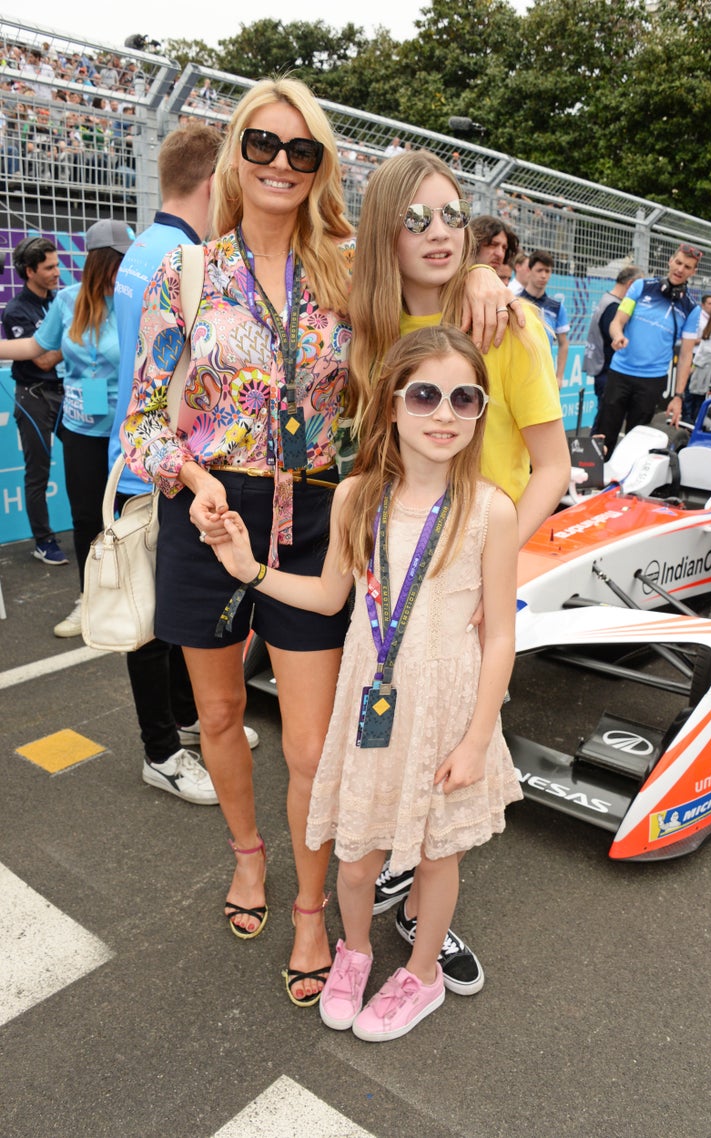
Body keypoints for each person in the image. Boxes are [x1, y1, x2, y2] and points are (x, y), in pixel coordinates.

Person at [120, 79, 517, 1008]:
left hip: (317, 517)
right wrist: (192, 476)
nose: (280, 165)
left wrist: (490, 272)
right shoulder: (186, 273)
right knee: (217, 718)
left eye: (302, 152)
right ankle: (247, 858)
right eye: (263, 144)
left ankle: (309, 910)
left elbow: (436, 274)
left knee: (306, 748)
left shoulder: (344, 265)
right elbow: (142, 422)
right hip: (208, 513)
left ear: (322, 166)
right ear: (235, 156)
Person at [215, 325, 521, 1041]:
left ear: (479, 412)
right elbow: (329, 599)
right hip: (370, 703)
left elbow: (502, 634)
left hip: (449, 709)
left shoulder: (491, 510)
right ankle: (353, 951)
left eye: (463, 398)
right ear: (390, 405)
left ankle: (419, 975)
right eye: (424, 395)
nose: (444, 414)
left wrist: (479, 738)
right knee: (355, 860)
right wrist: (249, 572)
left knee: (438, 856)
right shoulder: (356, 497)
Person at [346, 151, 568, 994]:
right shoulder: (375, 334)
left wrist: (488, 567)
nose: (437, 234)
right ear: (384, 236)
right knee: (389, 740)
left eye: (452, 218)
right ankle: (396, 887)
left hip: (473, 586)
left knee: (456, 754)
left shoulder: (510, 324)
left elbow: (551, 468)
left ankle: (422, 926)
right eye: (414, 220)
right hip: (391, 591)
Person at [110, 124, 254, 807]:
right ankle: (161, 749)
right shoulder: (185, 259)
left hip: (150, 460)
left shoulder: (145, 247)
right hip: (163, 467)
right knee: (152, 621)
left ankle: (188, 722)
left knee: (171, 624)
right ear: (213, 182)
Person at [0, 219, 134, 636]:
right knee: (85, 519)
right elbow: (35, 348)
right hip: (79, 430)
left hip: (129, 431)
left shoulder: (139, 299)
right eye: (121, 260)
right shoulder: (69, 301)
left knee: (133, 519)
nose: (128, 267)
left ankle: (133, 598)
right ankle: (89, 600)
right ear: (102, 262)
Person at [599, 244, 702, 451]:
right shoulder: (640, 287)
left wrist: (679, 397)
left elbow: (686, 355)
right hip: (620, 373)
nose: (681, 269)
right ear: (670, 261)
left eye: (687, 267)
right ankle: (594, 481)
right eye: (679, 262)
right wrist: (618, 335)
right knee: (604, 435)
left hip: (651, 382)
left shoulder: (692, 308)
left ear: (693, 272)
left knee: (636, 441)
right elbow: (617, 321)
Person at [1, 236, 66, 564]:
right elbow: (41, 360)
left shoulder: (59, 300)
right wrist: (74, 339)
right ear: (30, 271)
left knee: (88, 460)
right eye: (49, 267)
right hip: (34, 398)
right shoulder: (16, 310)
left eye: (57, 264)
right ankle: (44, 540)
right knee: (37, 474)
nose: (58, 272)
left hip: (67, 394)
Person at [583, 265, 642, 434]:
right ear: (631, 284)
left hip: (602, 367)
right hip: (606, 370)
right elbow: (614, 338)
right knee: (605, 421)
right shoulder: (614, 307)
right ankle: (593, 458)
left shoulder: (606, 299)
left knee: (604, 417)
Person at [517, 249, 569, 386]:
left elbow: (563, 344)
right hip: (517, 373)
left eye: (547, 271)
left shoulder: (556, 307)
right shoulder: (515, 302)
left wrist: (559, 377)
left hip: (545, 377)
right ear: (529, 270)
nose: (543, 275)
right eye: (539, 270)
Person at [683, 299, 711, 424]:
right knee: (701, 398)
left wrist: (694, 365)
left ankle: (691, 420)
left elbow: (702, 350)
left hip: (703, 367)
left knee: (696, 396)